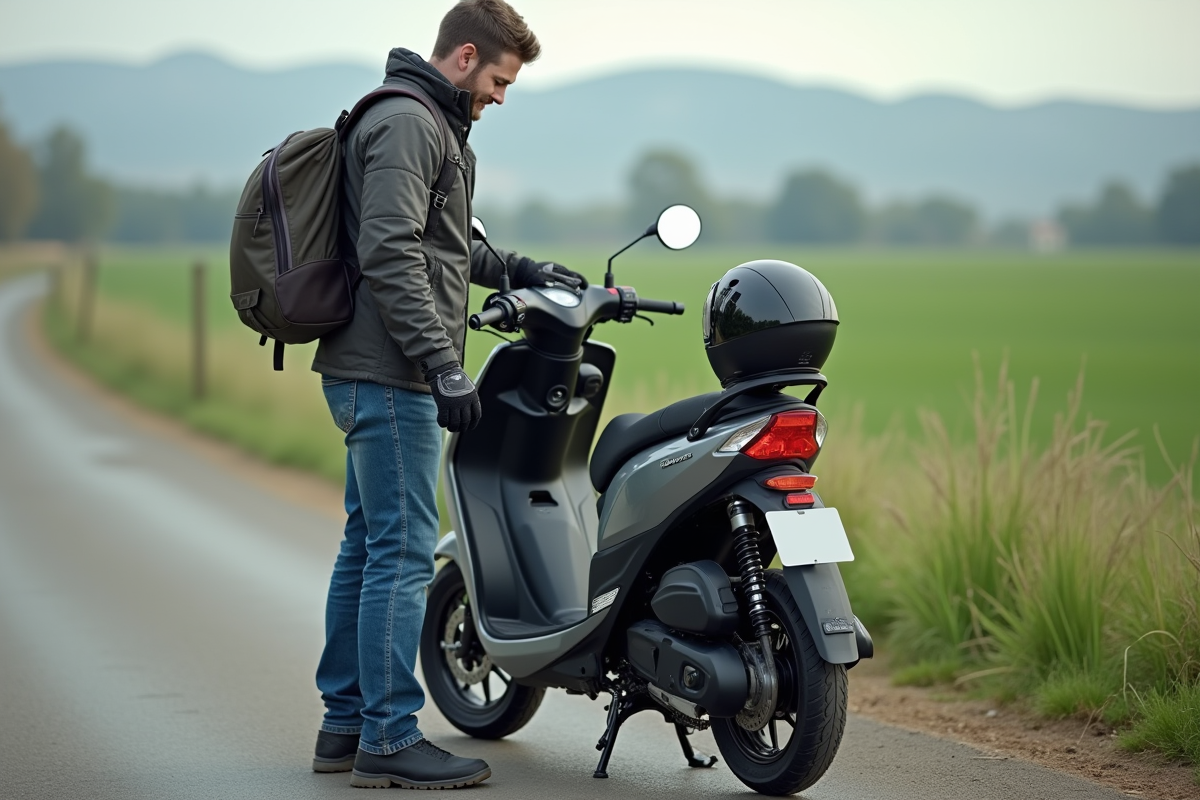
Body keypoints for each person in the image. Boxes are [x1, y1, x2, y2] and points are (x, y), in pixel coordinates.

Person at [308, 0, 585, 789]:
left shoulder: (426, 120)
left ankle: (345, 724)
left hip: (373, 369)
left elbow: (438, 240)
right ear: (465, 57)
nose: (501, 97)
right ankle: (390, 738)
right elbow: (391, 252)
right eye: (499, 80)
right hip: (389, 372)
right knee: (399, 553)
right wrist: (443, 365)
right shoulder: (410, 122)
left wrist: (520, 270)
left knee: (367, 545)